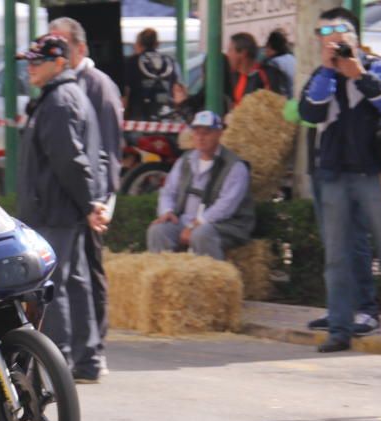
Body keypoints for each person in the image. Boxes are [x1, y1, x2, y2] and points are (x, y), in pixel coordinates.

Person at [299, 8, 381, 352]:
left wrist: (359, 73)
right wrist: (329, 70)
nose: (332, 37)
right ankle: (339, 330)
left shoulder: (378, 67)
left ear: (356, 36)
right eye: (324, 32)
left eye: (339, 30)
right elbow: (309, 111)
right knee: (337, 254)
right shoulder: (323, 74)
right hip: (333, 175)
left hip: (373, 174)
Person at [17, 34, 108, 384]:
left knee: (53, 287)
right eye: (29, 61)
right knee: (76, 281)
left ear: (59, 63)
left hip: (55, 211)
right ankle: (86, 360)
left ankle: (63, 360)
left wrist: (89, 205)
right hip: (61, 209)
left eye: (37, 62)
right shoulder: (64, 97)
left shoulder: (59, 101)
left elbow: (70, 160)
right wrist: (89, 204)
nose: (30, 68)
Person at [49, 16, 123, 380]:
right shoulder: (63, 84)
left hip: (89, 197)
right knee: (77, 273)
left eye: (61, 43)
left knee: (87, 271)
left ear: (80, 48)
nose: (54, 50)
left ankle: (94, 349)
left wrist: (101, 199)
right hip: (70, 197)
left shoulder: (97, 86)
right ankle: (85, 349)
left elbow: (107, 147)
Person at [147, 111, 254, 260]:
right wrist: (167, 211)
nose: (200, 137)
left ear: (219, 133)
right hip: (186, 221)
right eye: (197, 132)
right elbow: (168, 191)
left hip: (226, 225)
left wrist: (195, 225)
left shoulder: (235, 166)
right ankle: (164, 276)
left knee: (201, 234)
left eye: (206, 132)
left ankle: (212, 279)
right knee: (158, 230)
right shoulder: (185, 160)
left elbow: (226, 206)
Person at [123, 28, 179, 121]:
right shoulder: (169, 61)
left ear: (138, 44)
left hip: (139, 116)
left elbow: (126, 91)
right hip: (166, 115)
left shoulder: (131, 62)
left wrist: (125, 115)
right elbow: (177, 89)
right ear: (157, 43)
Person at [227, 32, 290, 107]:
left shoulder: (267, 75)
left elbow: (275, 107)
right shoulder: (231, 76)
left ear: (243, 53)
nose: (228, 55)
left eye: (230, 50)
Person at [264, 29, 296, 94]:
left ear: (269, 46)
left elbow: (274, 89)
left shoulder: (273, 63)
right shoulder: (292, 58)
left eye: (266, 47)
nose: (265, 52)